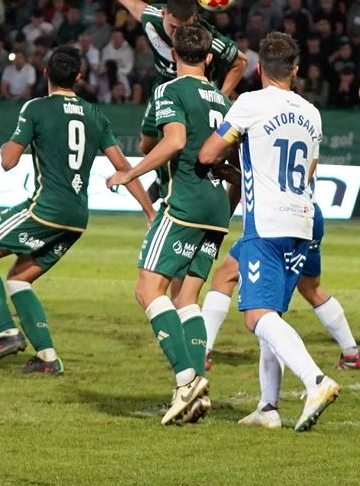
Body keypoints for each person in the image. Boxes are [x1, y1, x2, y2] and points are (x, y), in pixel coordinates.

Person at [0, 46, 151, 374]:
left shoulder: (35, 108)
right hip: (77, 218)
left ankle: (7, 333)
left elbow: (8, 161)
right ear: (79, 78)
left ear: (46, 74)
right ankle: (48, 359)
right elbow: (123, 166)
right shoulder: (95, 115)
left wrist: (7, 146)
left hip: (45, 209)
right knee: (20, 281)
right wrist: (149, 211)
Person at [198, 31, 341, 432]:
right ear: (295, 71)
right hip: (302, 218)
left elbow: (209, 152)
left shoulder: (250, 103)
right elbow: (309, 169)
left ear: (260, 69)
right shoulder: (312, 113)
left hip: (267, 224)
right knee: (264, 306)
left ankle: (316, 381)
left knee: (256, 315)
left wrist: (223, 161)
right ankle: (268, 406)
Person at [106, 24, 234, 426]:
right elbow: (231, 164)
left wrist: (132, 173)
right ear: (210, 58)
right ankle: (196, 388)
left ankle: (185, 379)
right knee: (187, 300)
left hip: (184, 204)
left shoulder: (169, 90)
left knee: (147, 288)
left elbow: (175, 140)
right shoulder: (223, 101)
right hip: (217, 210)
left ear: (174, 53)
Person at [201, 199, 360, 372]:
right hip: (308, 213)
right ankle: (351, 353)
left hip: (276, 216)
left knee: (227, 276)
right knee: (310, 287)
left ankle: (202, 350)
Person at [109, 0, 245, 97]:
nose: (178, 33)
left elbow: (241, 62)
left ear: (193, 21)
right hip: (162, 93)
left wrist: (222, 95)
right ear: (164, 14)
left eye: (184, 28)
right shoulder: (153, 19)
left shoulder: (208, 39)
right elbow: (135, 7)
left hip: (197, 99)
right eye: (173, 27)